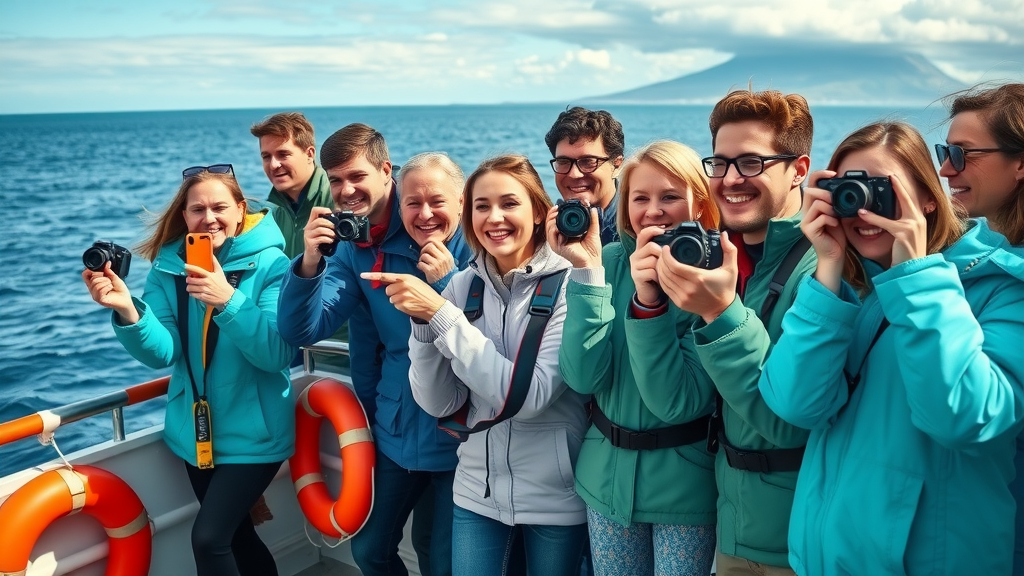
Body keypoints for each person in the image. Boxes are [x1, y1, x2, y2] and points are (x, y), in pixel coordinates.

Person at [759, 121, 1024, 575]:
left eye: (880, 191)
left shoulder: (1002, 288)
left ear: (926, 196)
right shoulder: (848, 291)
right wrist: (826, 268)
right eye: (848, 191)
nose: (862, 209)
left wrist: (917, 275)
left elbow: (965, 417)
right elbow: (796, 404)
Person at [370, 154, 588, 576]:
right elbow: (440, 402)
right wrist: (421, 325)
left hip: (555, 496)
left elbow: (532, 396)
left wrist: (441, 316)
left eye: (509, 203)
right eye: (482, 206)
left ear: (540, 211)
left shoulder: (569, 284)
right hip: (476, 491)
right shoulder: (463, 285)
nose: (495, 218)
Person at [276, 124, 472, 576]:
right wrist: (308, 263)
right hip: (396, 428)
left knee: (438, 558)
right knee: (369, 552)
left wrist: (444, 280)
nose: (346, 190)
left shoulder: (451, 227)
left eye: (356, 177)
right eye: (336, 179)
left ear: (386, 171)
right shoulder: (353, 245)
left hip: (461, 431)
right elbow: (301, 329)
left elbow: (489, 332)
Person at [82, 165, 295, 576]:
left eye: (219, 207)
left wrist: (227, 300)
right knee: (237, 537)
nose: (209, 218)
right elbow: (164, 352)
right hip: (196, 434)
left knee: (209, 539)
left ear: (240, 210)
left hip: (256, 433)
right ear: (185, 217)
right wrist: (128, 310)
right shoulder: (167, 269)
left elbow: (275, 354)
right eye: (198, 209)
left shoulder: (273, 266)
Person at [652, 89, 816, 575]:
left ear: (799, 169)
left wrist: (721, 313)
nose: (730, 180)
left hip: (799, 538)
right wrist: (647, 307)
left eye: (750, 163)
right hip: (732, 526)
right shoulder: (722, 258)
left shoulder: (825, 268)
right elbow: (680, 400)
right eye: (719, 164)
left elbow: (788, 421)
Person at [553, 140, 720, 576]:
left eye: (669, 197)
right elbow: (583, 377)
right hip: (605, 478)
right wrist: (588, 273)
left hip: (685, 487)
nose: (653, 211)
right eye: (640, 198)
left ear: (700, 205)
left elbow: (678, 402)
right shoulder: (608, 260)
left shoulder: (716, 278)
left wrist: (650, 303)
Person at [937, 82, 1024, 575]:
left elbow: (971, 413)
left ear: (1020, 163)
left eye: (963, 154)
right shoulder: (966, 260)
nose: (946, 170)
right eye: (944, 153)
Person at [251, 112, 334, 259]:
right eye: (266, 157)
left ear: (310, 154)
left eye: (283, 154)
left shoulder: (338, 200)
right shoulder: (264, 214)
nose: (273, 165)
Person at [545, 106, 625, 245]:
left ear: (617, 165)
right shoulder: (550, 229)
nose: (574, 174)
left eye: (588, 161)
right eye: (563, 161)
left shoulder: (636, 227)